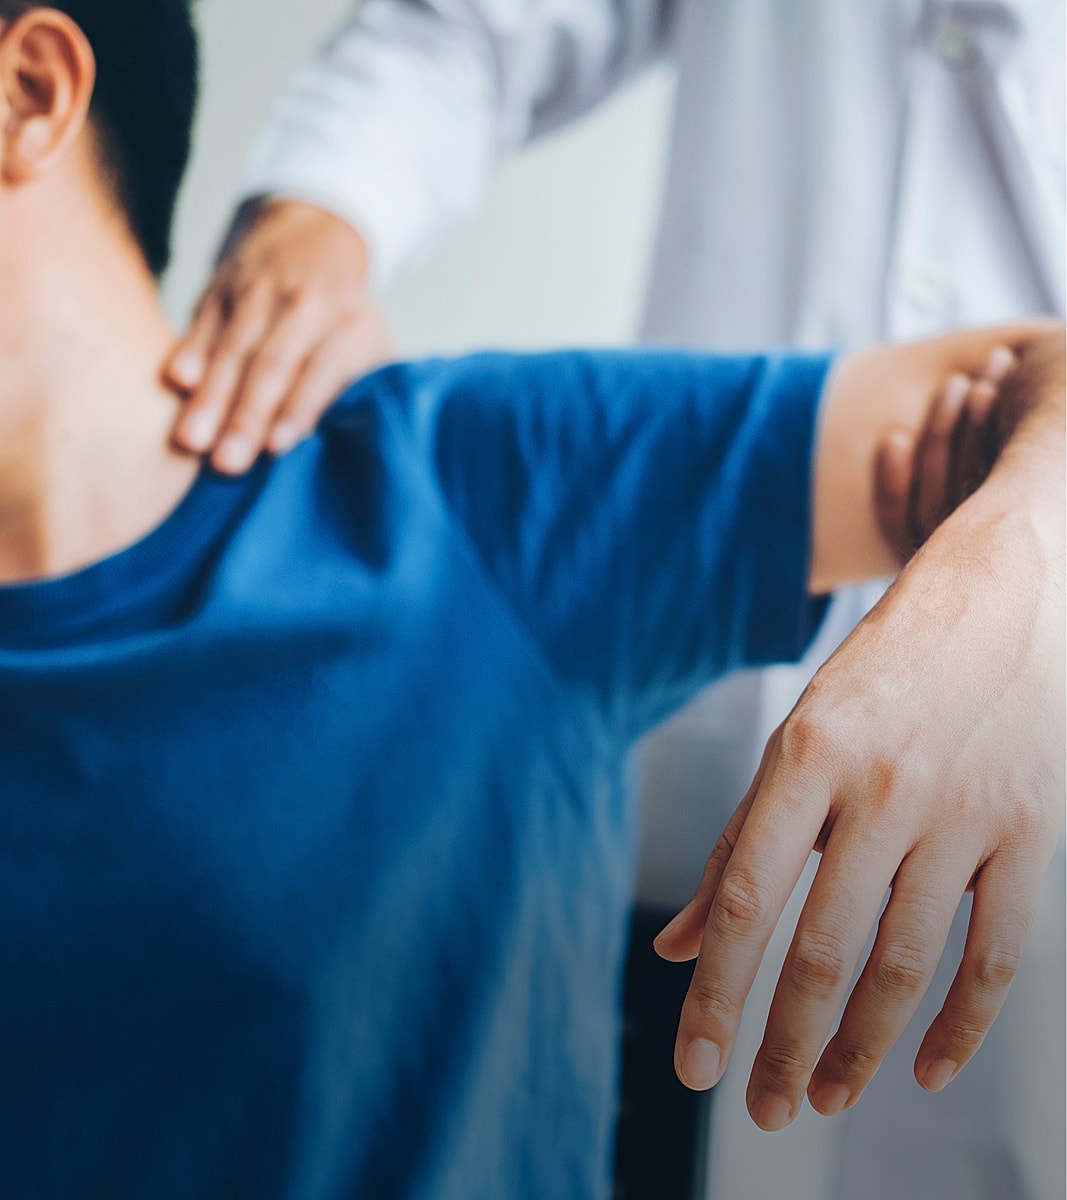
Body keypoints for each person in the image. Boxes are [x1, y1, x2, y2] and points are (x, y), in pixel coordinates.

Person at [0, 2, 1063, 1197]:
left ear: (28, 91)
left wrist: (1016, 578)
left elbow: (1034, 381)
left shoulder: (477, 488)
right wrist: (316, 207)